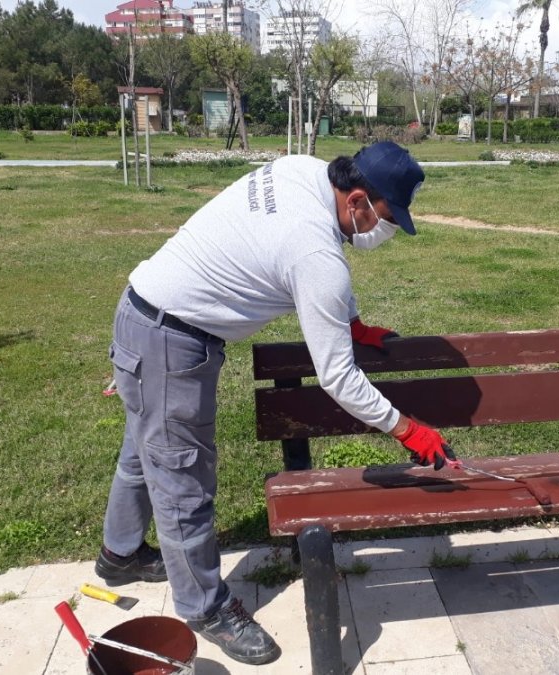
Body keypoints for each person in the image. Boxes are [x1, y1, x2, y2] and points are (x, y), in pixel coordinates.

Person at [95, 141, 456, 665]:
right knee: (182, 480)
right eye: (386, 218)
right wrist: (408, 430)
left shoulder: (300, 170)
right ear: (356, 200)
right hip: (171, 340)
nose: (387, 229)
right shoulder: (315, 255)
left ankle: (120, 553)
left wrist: (351, 322)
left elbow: (315, 266)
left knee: (143, 452)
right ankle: (205, 608)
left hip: (142, 312)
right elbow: (338, 377)